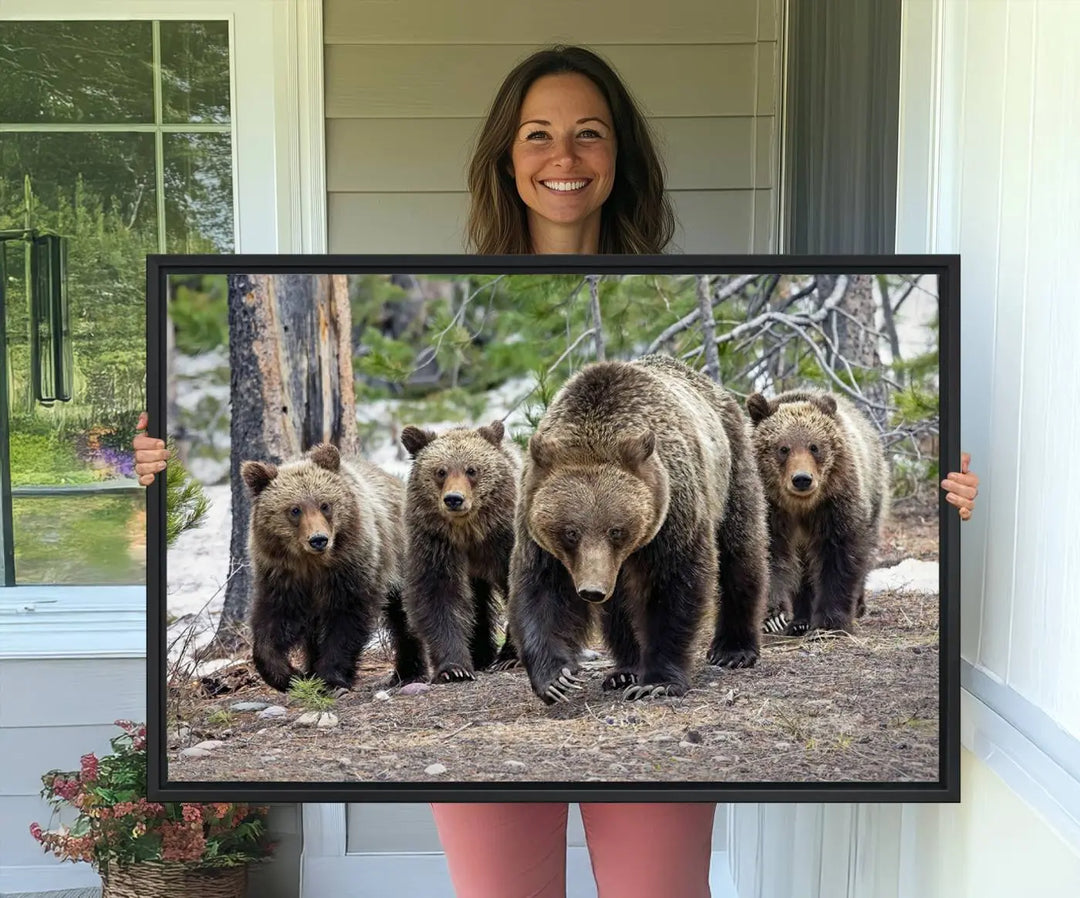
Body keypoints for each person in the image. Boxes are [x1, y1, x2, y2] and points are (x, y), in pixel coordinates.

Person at [133, 45, 980, 898]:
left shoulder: (675, 437)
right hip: (563, 537)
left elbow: (695, 566)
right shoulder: (478, 368)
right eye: (537, 134)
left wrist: (957, 504)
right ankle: (576, 660)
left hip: (675, 459)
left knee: (701, 568)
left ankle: (701, 652)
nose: (563, 158)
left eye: (590, 134)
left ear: (623, 157)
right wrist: (146, 469)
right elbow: (535, 581)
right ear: (505, 156)